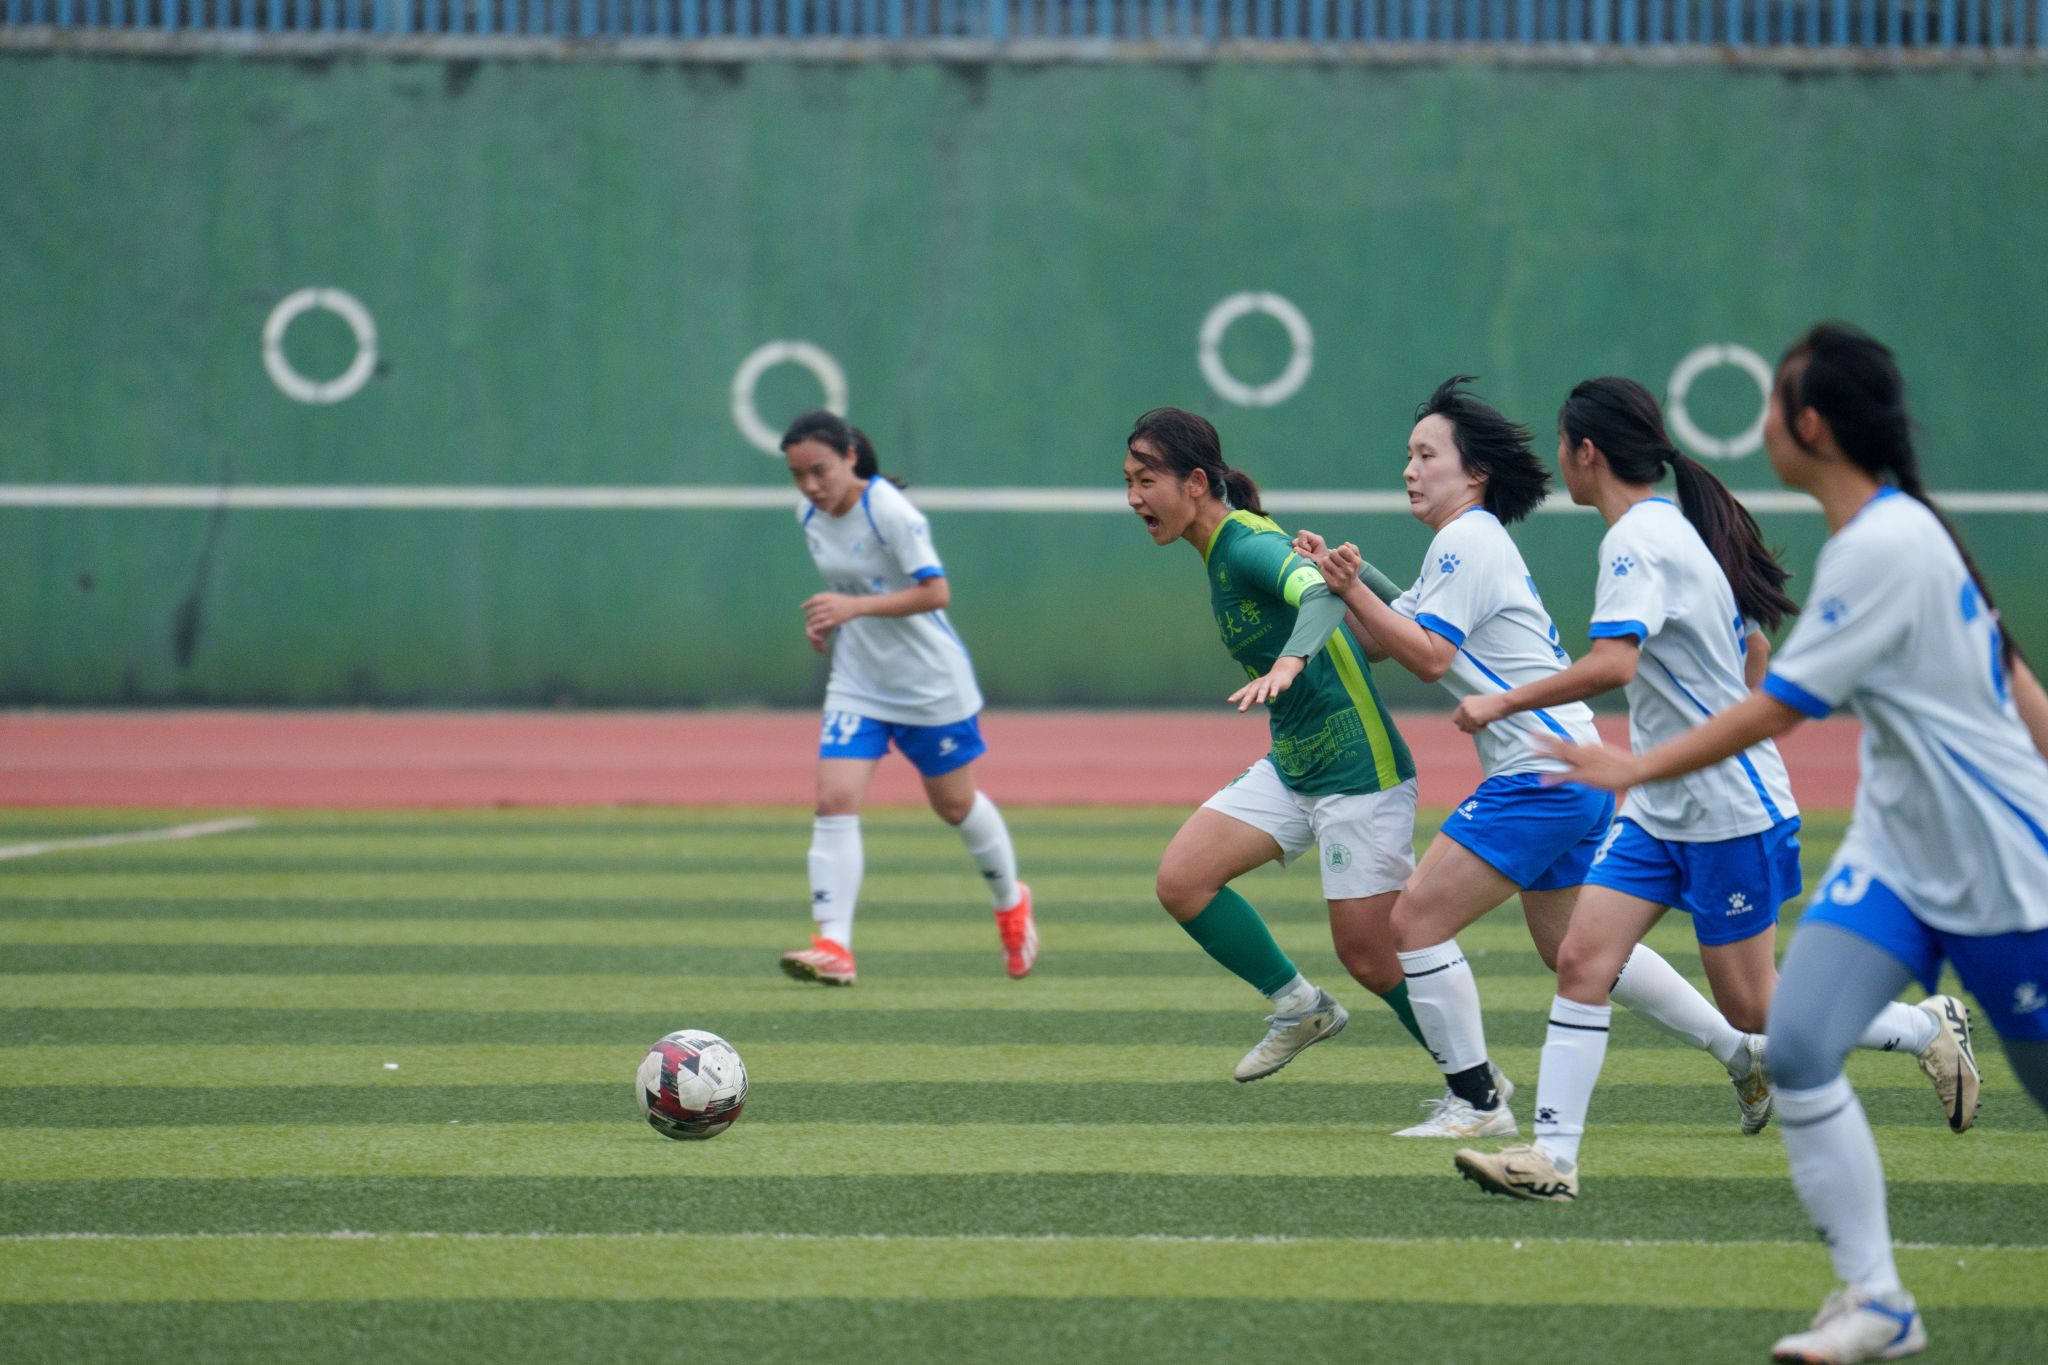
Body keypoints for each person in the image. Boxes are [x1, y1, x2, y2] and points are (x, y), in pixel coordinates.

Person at [1542, 324, 2048, 1364]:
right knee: (1798, 1041)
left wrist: (1632, 768)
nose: (1760, 422)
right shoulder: (1891, 533)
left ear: (1809, 426)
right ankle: (1879, 1302)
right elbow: (2007, 669)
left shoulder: (1884, 545)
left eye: (1773, 402)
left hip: (1995, 864)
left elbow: (1776, 704)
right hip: (1895, 855)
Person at [1448, 376, 1974, 1206]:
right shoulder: (1670, 528)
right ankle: (1553, 1156)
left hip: (1728, 811)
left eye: (1562, 443)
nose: (1560, 459)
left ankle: (1923, 1026)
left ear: (1587, 452)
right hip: (1663, 808)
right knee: (1582, 957)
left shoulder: (1636, 541)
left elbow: (1615, 663)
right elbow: (1753, 648)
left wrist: (1501, 701)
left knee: (1757, 1008)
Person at [1301, 376, 1776, 1140]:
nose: (1410, 470)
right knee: (1572, 948)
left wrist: (1353, 592)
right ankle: (1739, 1049)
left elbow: (1428, 656)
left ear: (1475, 472)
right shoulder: (1464, 543)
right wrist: (1338, 582)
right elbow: (1386, 640)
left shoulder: (1467, 539)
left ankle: (1478, 1102)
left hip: (1540, 771)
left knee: (1414, 919)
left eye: (1427, 455)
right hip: (1567, 766)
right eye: (1408, 456)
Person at [1123, 406, 1433, 1082]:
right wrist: (1356, 580)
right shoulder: (1229, 547)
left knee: (1372, 958)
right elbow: (1374, 632)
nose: (1135, 498)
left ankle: (1477, 1088)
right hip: (1295, 763)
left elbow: (1321, 596)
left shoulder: (1245, 546)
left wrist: (1289, 662)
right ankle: (1300, 1006)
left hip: (1357, 769)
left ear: (1195, 483)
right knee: (1182, 881)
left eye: (1147, 481)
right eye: (1129, 483)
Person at [778, 410, 1036, 986]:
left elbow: (936, 592)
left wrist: (852, 608)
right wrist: (829, 620)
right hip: (858, 682)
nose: (810, 486)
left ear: (849, 457)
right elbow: (851, 589)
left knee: (954, 807)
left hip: (928, 685)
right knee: (834, 800)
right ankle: (835, 946)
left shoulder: (889, 511)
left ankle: (1010, 902)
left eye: (819, 471)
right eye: (797, 475)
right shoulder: (809, 515)